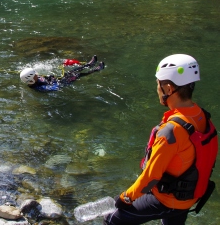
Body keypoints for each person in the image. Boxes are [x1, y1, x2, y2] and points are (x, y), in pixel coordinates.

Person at [104, 54, 218, 225]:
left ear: (169, 88)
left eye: (158, 84)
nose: (157, 88)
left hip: (168, 200)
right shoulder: (202, 116)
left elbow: (151, 176)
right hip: (189, 196)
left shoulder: (171, 132)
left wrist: (125, 198)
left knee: (112, 219)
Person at [20, 55, 104, 91]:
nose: (36, 75)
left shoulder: (32, 80)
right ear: (31, 79)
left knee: (72, 71)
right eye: (34, 75)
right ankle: (96, 70)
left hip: (57, 79)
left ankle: (89, 65)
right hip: (61, 83)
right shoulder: (40, 88)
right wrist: (53, 81)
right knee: (77, 75)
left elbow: (38, 75)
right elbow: (55, 87)